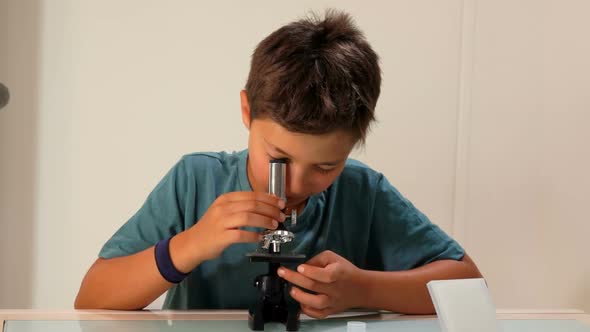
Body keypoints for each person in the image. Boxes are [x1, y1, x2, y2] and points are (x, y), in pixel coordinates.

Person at [75, 10, 482, 318]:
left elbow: (467, 282)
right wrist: (190, 245)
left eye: (326, 167)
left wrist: (363, 289)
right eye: (279, 158)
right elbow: (92, 299)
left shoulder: (363, 193)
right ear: (247, 111)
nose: (296, 184)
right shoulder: (194, 180)